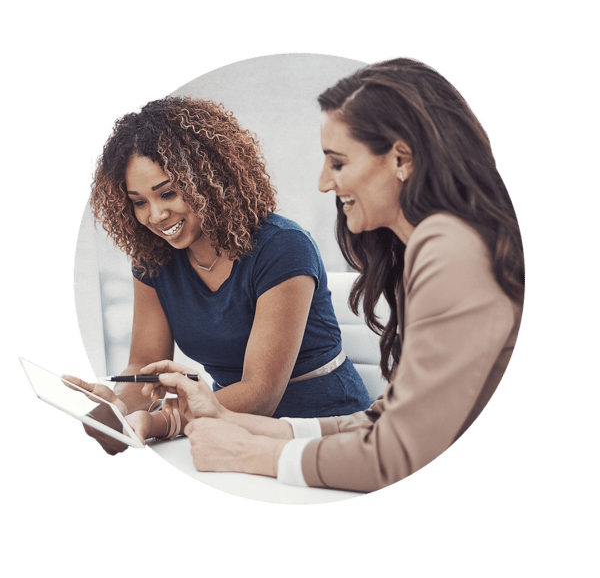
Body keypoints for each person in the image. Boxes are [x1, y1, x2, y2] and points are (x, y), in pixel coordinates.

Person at [139, 56, 525, 492]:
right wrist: (226, 418)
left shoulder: (451, 251)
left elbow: (394, 457)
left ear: (401, 159)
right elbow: (385, 421)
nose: (324, 183)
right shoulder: (434, 245)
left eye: (338, 163)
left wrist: (248, 452)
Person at [65, 96, 370, 455]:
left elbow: (261, 395)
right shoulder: (153, 257)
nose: (156, 215)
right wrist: (118, 412)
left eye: (169, 193)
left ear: (210, 182)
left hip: (325, 430)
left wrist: (160, 422)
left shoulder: (283, 247)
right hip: (223, 428)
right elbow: (142, 366)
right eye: (139, 201)